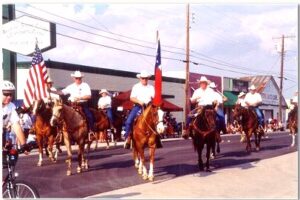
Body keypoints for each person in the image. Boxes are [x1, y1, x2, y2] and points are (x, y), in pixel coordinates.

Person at [124, 70, 154, 149]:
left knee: (156, 120)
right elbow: (132, 98)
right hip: (138, 106)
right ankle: (128, 137)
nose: (144, 80)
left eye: (146, 78)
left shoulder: (151, 87)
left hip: (149, 106)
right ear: (140, 78)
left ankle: (157, 139)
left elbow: (154, 97)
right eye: (143, 78)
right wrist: (140, 102)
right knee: (129, 121)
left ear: (148, 79)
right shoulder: (136, 86)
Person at [2, 80, 30, 153]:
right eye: (6, 94)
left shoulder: (11, 106)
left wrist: (24, 144)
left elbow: (16, 126)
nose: (9, 97)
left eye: (11, 94)